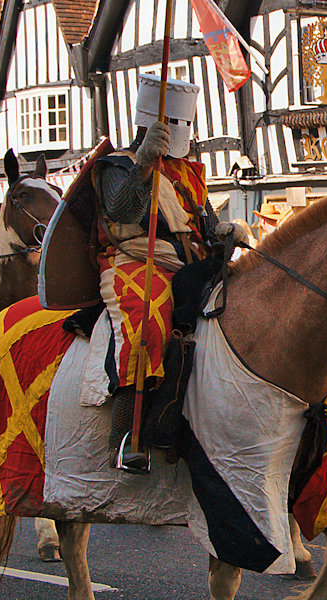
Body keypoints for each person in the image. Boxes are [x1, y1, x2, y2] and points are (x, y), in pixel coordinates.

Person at [88, 74, 235, 472]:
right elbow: (122, 213)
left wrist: (221, 231)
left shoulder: (188, 172)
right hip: (136, 260)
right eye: (173, 124)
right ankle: (126, 437)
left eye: (185, 125)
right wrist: (141, 167)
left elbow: (203, 218)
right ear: (148, 123)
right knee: (147, 322)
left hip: (190, 262)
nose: (180, 133)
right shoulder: (116, 164)